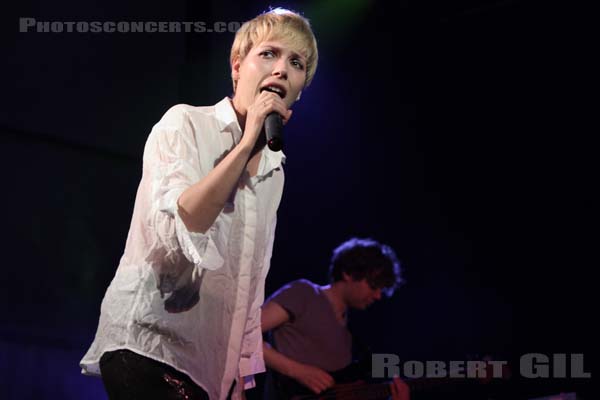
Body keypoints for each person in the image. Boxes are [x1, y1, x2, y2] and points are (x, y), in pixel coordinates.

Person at [79, 7, 318, 400]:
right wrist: (245, 144)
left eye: (296, 63)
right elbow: (188, 218)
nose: (281, 70)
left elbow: (249, 280)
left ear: (299, 89)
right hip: (149, 347)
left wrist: (240, 376)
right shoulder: (185, 124)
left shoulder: (275, 171)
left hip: (208, 371)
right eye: (269, 54)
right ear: (238, 66)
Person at [261, 238, 410, 400]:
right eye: (373, 285)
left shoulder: (351, 333)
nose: (378, 295)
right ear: (348, 273)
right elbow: (243, 334)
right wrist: (297, 371)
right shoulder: (304, 293)